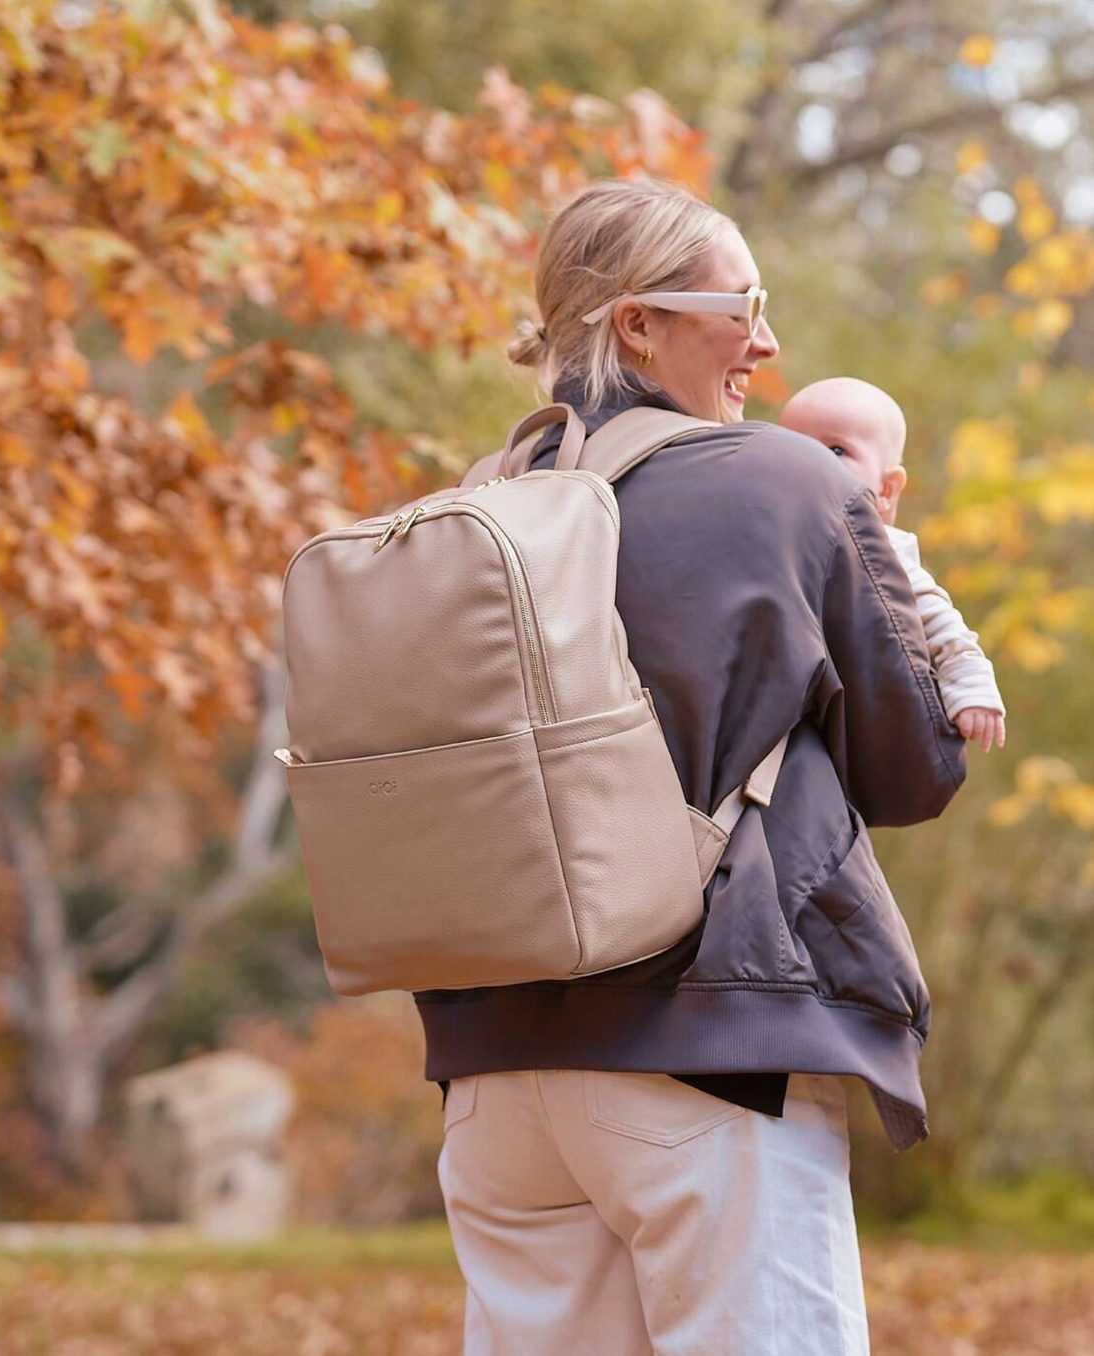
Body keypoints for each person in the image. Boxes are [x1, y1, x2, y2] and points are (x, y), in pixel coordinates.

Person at [416, 177, 967, 1356]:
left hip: (496, 1079)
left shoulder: (479, 503)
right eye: (744, 304)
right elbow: (917, 768)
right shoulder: (787, 481)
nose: (765, 341)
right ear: (638, 323)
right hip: (708, 1058)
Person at [779, 377, 1006, 753]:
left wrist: (971, 686)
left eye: (836, 450)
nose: (812, 462)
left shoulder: (880, 550)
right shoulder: (771, 526)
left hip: (850, 717)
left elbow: (938, 619)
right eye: (795, 447)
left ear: (886, 490)